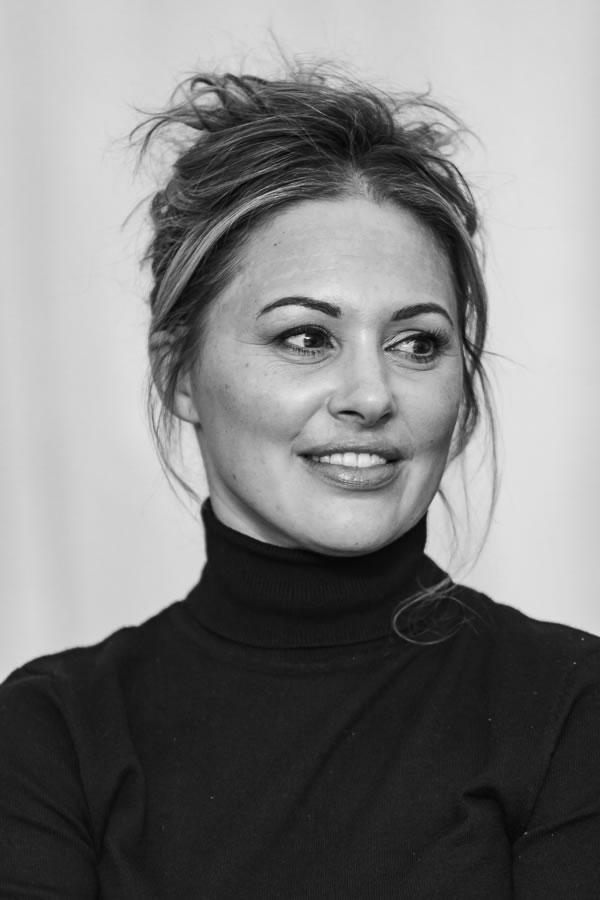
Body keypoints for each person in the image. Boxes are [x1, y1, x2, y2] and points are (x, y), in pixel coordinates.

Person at [1, 63, 599, 899]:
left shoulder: (571, 705)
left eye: (418, 344)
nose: (370, 396)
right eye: (307, 338)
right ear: (178, 374)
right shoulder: (52, 733)